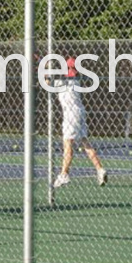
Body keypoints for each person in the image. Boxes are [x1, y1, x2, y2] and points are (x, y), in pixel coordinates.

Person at [51, 57, 107, 188]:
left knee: (67, 144)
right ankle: (100, 169)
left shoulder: (62, 82)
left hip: (71, 115)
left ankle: (64, 174)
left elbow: (48, 81)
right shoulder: (75, 81)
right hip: (80, 113)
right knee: (85, 142)